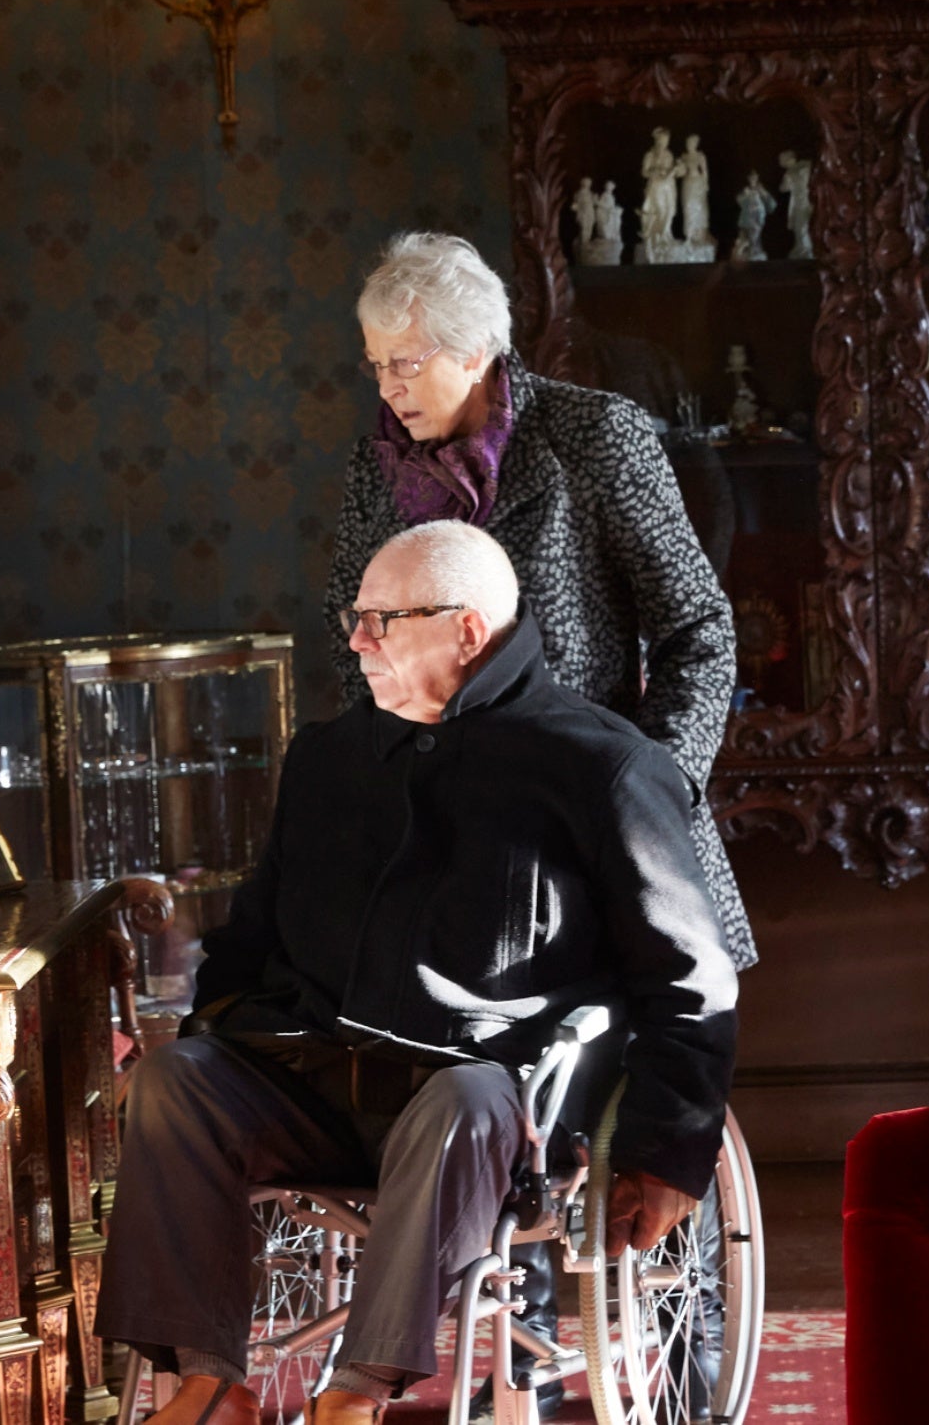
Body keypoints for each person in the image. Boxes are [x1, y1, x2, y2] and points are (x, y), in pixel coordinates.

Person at [99, 523, 738, 1425]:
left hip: (487, 1111)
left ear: (466, 631)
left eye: (381, 621)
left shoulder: (603, 766)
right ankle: (207, 1382)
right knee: (172, 1080)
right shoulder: (327, 759)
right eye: (357, 620)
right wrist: (221, 1035)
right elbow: (245, 943)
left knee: (460, 1101)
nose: (357, 641)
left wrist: (669, 1149)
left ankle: (354, 1398)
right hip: (312, 1085)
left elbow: (689, 979)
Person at [325, 231, 754, 969]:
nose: (386, 386)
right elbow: (350, 634)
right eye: (375, 364)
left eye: (405, 363)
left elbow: (698, 628)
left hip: (594, 821)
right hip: (444, 840)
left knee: (639, 1065)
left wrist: (657, 784)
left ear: (473, 351)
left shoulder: (593, 436)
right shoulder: (377, 465)